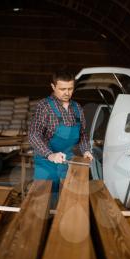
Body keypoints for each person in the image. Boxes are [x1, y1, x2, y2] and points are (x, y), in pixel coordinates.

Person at [29, 69, 93, 203]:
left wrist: (86, 150)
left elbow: (83, 135)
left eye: (70, 88)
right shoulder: (44, 106)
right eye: (62, 89)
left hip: (68, 163)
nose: (67, 93)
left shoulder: (77, 108)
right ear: (53, 86)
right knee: (44, 203)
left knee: (69, 203)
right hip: (47, 164)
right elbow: (34, 135)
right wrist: (50, 155)